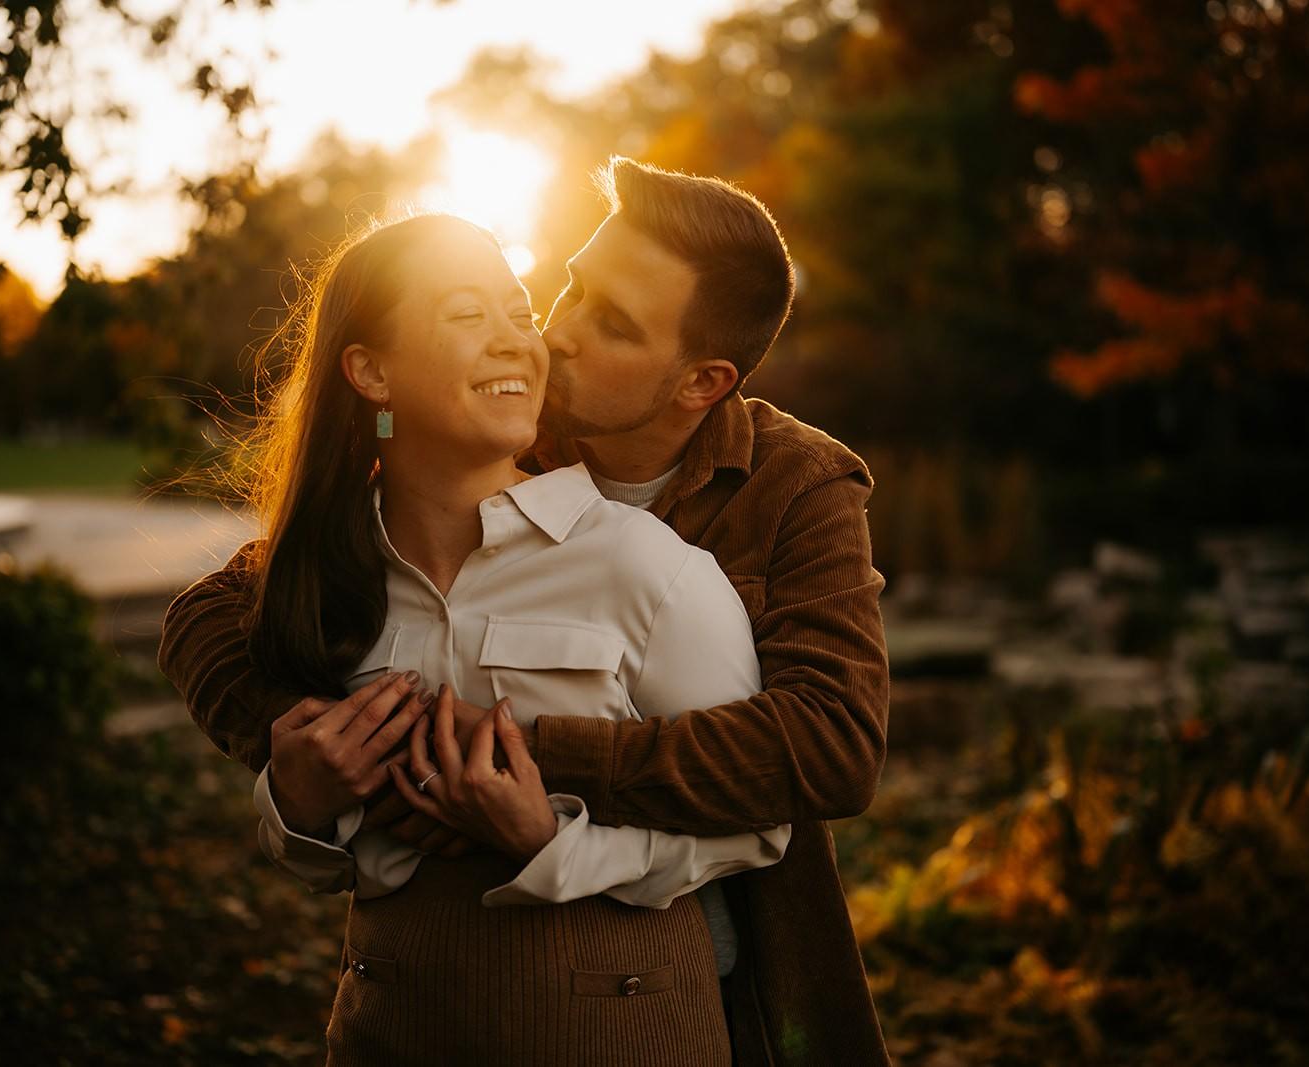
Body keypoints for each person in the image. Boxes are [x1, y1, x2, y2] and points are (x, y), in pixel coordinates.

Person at [160, 158, 893, 1065]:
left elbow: (830, 746)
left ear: (701, 381)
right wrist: (334, 754)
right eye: (572, 286)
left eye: (614, 323)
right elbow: (215, 612)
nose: (559, 332)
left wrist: (504, 754)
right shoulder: (487, 423)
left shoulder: (796, 484)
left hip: (712, 961)